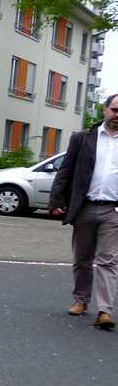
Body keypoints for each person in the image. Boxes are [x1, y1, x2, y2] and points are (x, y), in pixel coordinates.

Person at [50, 93, 118, 331]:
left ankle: (104, 310)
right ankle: (81, 300)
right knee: (82, 259)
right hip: (85, 207)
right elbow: (65, 171)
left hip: (113, 210)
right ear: (105, 109)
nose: (117, 116)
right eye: (114, 110)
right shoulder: (82, 139)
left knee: (108, 260)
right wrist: (57, 199)